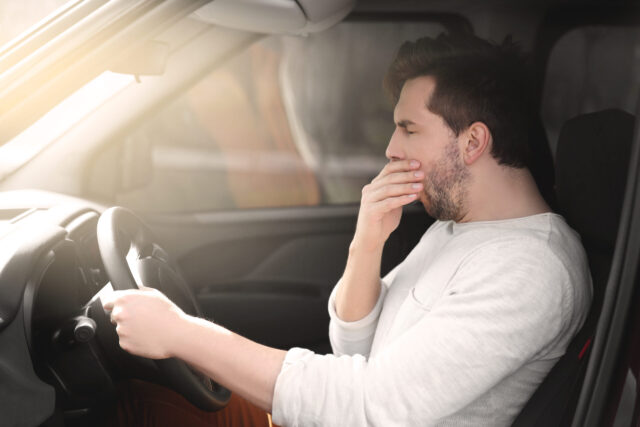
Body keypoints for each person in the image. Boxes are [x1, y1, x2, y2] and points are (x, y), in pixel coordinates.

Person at [102, 33, 592, 426]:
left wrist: (181, 334)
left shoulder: (531, 268)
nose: (391, 149)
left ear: (473, 142)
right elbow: (355, 349)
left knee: (126, 409)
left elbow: (368, 409)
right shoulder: (460, 228)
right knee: (132, 399)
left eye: (409, 128)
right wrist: (367, 241)